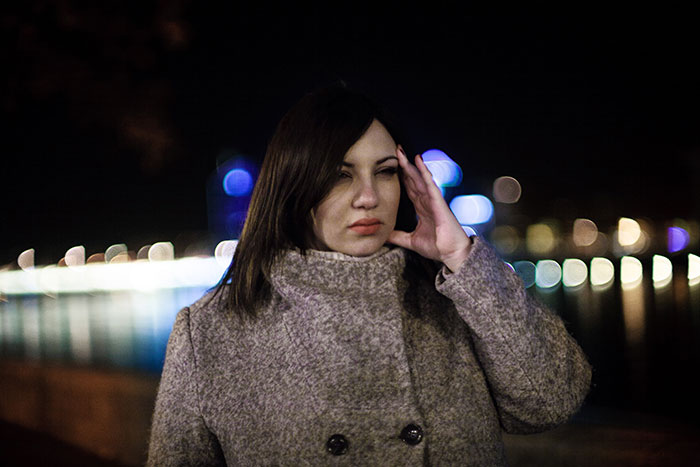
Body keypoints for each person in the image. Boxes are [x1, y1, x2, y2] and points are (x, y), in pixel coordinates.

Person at [146, 85, 591, 466]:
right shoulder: (210, 331)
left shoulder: (455, 297)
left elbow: (550, 401)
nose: (368, 196)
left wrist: (463, 258)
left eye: (386, 172)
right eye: (340, 176)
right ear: (294, 187)